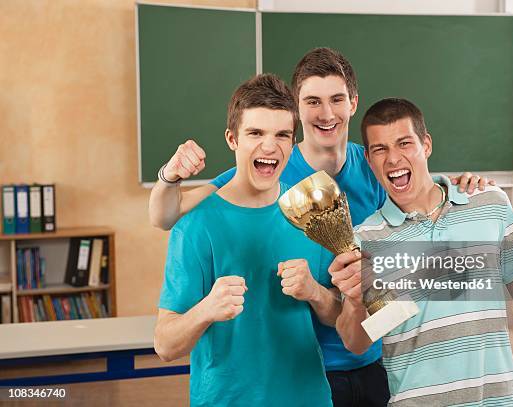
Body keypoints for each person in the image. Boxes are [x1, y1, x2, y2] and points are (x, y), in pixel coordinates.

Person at [150, 48, 492, 407]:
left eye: (336, 100)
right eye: (313, 101)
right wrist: (168, 177)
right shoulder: (228, 206)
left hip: (367, 360)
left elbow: (414, 187)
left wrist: (457, 186)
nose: (326, 113)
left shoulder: (353, 178)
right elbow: (169, 215)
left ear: (352, 103)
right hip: (305, 370)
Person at [329, 97, 513, 406]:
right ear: (368, 158)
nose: (393, 159)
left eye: (404, 143)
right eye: (380, 149)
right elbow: (357, 342)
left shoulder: (490, 204)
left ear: (426, 145)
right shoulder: (365, 240)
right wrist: (353, 302)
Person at [154, 74, 338, 407]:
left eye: (282, 134)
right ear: (232, 139)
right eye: (255, 133)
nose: (270, 146)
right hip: (226, 399)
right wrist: (206, 309)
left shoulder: (315, 208)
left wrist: (315, 292)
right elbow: (165, 345)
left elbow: (339, 315)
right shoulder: (196, 225)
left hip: (308, 397)